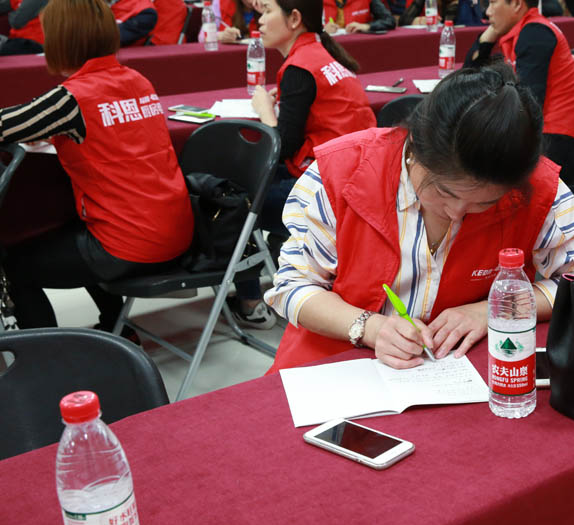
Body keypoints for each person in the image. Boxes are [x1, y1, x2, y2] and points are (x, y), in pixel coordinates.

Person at [264, 64, 574, 370]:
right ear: (414, 145)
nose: (457, 213)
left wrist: (496, 308)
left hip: (458, 370)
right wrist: (370, 327)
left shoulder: (538, 190)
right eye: (444, 191)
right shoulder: (341, 174)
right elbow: (292, 287)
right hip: (333, 366)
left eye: (484, 203)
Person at [0, 0, 193, 334]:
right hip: (177, 232)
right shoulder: (139, 81)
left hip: (128, 244)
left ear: (62, 40)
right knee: (76, 229)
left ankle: (45, 356)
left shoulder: (71, 98)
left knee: (14, 264)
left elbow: (6, 123)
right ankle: (117, 330)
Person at [228, 0, 376, 329]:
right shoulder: (323, 56)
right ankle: (289, 261)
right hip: (353, 182)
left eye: (267, 11)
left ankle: (251, 302)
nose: (259, 21)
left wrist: (265, 110)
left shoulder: (299, 67)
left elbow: (282, 147)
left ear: (294, 18)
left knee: (238, 198)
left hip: (333, 195)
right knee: (256, 183)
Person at [463, 0, 574, 188]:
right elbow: (468, 76)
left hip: (552, 140)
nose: (487, 12)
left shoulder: (535, 33)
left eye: (493, 3)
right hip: (535, 131)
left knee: (471, 158)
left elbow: (528, 102)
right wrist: (490, 34)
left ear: (517, 4)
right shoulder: (522, 31)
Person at [322, 0, 396, 33]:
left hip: (360, 45)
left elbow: (389, 20)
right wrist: (323, 30)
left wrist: (366, 26)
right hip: (328, 48)